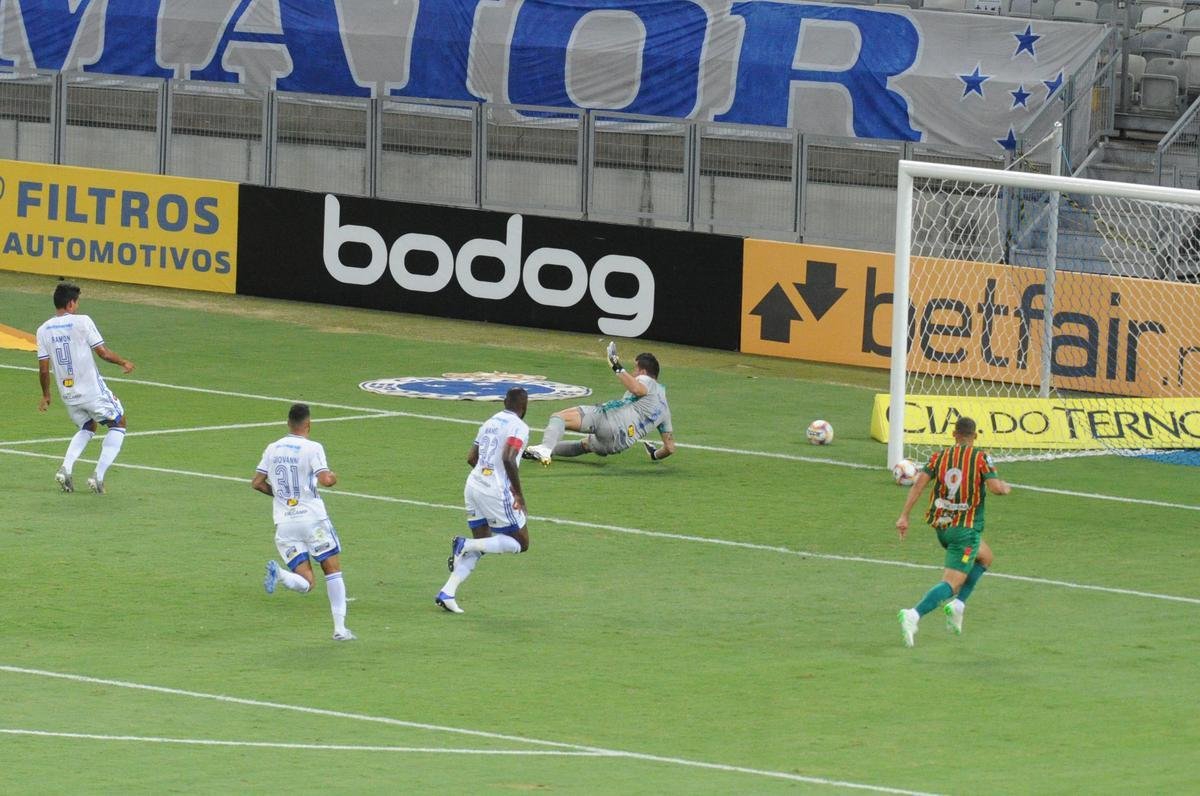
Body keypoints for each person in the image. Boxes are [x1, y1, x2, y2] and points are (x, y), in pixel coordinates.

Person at [895, 416, 1011, 648]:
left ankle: (958, 606)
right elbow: (995, 488)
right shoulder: (981, 457)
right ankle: (913, 614)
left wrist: (904, 515)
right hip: (965, 531)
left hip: (943, 527)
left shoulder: (939, 457)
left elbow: (919, 485)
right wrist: (1005, 488)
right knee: (952, 584)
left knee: (986, 557)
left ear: (954, 434)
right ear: (975, 436)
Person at [256, 403, 355, 641]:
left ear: (288, 423)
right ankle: (340, 629)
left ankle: (282, 575)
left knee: (307, 582)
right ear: (308, 424)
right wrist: (332, 477)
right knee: (332, 570)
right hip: (312, 520)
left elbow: (257, 483)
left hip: (285, 524)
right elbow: (326, 479)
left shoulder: (272, 448)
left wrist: (283, 498)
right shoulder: (312, 448)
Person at [437, 387, 531, 614]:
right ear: (524, 406)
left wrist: (484, 475)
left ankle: (448, 592)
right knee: (521, 543)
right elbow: (508, 458)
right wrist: (518, 494)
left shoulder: (490, 422)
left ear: (505, 402)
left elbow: (471, 457)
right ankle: (464, 544)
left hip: (473, 484)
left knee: (483, 543)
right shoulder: (519, 426)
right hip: (495, 490)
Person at [35, 281, 135, 494]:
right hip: (92, 391)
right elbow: (103, 353)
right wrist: (123, 362)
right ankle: (98, 476)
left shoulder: (43, 330)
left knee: (88, 426)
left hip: (68, 394)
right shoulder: (82, 321)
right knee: (119, 424)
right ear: (71, 303)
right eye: (77, 302)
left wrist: (46, 395)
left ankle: (66, 468)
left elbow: (43, 369)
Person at [524, 342, 675, 466]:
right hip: (618, 444)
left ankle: (545, 448)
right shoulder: (665, 411)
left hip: (611, 421)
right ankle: (544, 451)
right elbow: (669, 448)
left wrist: (616, 365)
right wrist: (654, 454)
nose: (633, 373)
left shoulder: (647, 381)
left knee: (559, 417)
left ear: (643, 371)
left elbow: (637, 389)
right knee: (585, 445)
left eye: (635, 369)